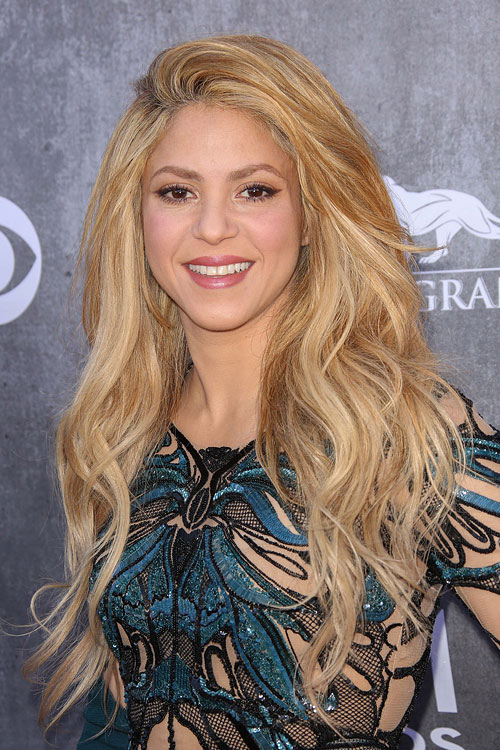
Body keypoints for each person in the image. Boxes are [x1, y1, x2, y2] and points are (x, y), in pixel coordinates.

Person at [25, 35, 500, 750]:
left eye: (255, 190)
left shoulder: (410, 433)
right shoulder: (120, 431)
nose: (213, 227)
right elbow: (117, 717)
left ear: (313, 215)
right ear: (139, 215)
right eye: (178, 192)